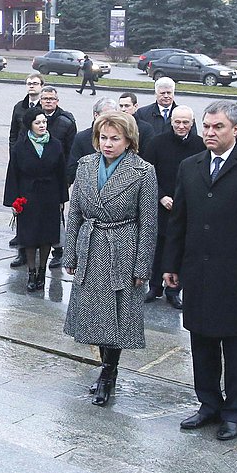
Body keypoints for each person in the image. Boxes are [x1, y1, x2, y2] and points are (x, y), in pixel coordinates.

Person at [165, 101, 237, 441]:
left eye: (217, 127)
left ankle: (234, 414)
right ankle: (209, 405)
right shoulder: (191, 165)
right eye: (207, 126)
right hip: (198, 272)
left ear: (235, 129)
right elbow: (179, 219)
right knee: (201, 341)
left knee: (235, 346)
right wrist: (171, 265)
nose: (210, 133)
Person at [63, 111, 158, 406]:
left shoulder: (143, 172)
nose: (108, 144)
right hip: (90, 246)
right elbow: (76, 210)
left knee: (116, 317)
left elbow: (148, 222)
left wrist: (143, 264)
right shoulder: (86, 165)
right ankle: (105, 367)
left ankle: (108, 373)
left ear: (129, 140)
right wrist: (70, 252)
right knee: (93, 315)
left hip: (122, 248)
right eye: (103, 138)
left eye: (115, 138)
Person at [142, 105, 202, 307]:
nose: (181, 126)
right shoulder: (157, 143)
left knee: (180, 249)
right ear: (171, 122)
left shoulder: (200, 145)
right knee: (157, 249)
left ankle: (174, 290)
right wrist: (161, 197)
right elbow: (147, 174)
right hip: (161, 206)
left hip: (188, 207)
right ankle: (154, 286)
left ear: (192, 123)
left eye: (186, 122)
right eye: (177, 122)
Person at [5, 109, 68, 291]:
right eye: (38, 123)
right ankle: (31, 273)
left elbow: (61, 173)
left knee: (47, 237)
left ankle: (42, 272)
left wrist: (62, 198)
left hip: (50, 195)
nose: (42, 126)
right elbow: (13, 174)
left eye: (44, 122)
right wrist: (13, 201)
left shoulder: (55, 144)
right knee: (30, 237)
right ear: (30, 125)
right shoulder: (20, 146)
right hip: (28, 196)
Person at [36, 86, 77, 269]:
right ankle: (30, 247)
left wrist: (67, 178)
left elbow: (71, 153)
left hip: (57, 177)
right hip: (36, 176)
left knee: (57, 213)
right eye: (45, 99)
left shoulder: (66, 121)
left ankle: (59, 251)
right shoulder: (34, 118)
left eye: (51, 99)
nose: (48, 101)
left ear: (57, 101)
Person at [8, 74, 46, 268]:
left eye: (35, 83)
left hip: (39, 166)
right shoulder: (19, 107)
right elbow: (13, 133)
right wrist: (13, 155)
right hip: (21, 159)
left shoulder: (44, 107)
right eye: (29, 83)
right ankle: (22, 249)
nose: (31, 86)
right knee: (21, 205)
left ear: (42, 86)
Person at [65, 98, 118, 185]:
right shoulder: (82, 138)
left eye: (114, 116)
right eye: (107, 116)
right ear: (96, 115)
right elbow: (72, 168)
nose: (111, 120)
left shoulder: (122, 137)